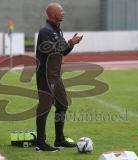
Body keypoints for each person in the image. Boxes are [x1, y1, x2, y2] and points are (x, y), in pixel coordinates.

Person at [35, 2, 83, 152]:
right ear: (51, 13)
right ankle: (41, 143)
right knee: (44, 109)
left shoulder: (57, 31)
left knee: (63, 105)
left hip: (56, 76)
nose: (63, 13)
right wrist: (69, 42)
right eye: (60, 11)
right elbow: (52, 50)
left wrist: (71, 45)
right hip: (46, 76)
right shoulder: (45, 31)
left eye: (63, 10)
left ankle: (59, 139)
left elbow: (62, 52)